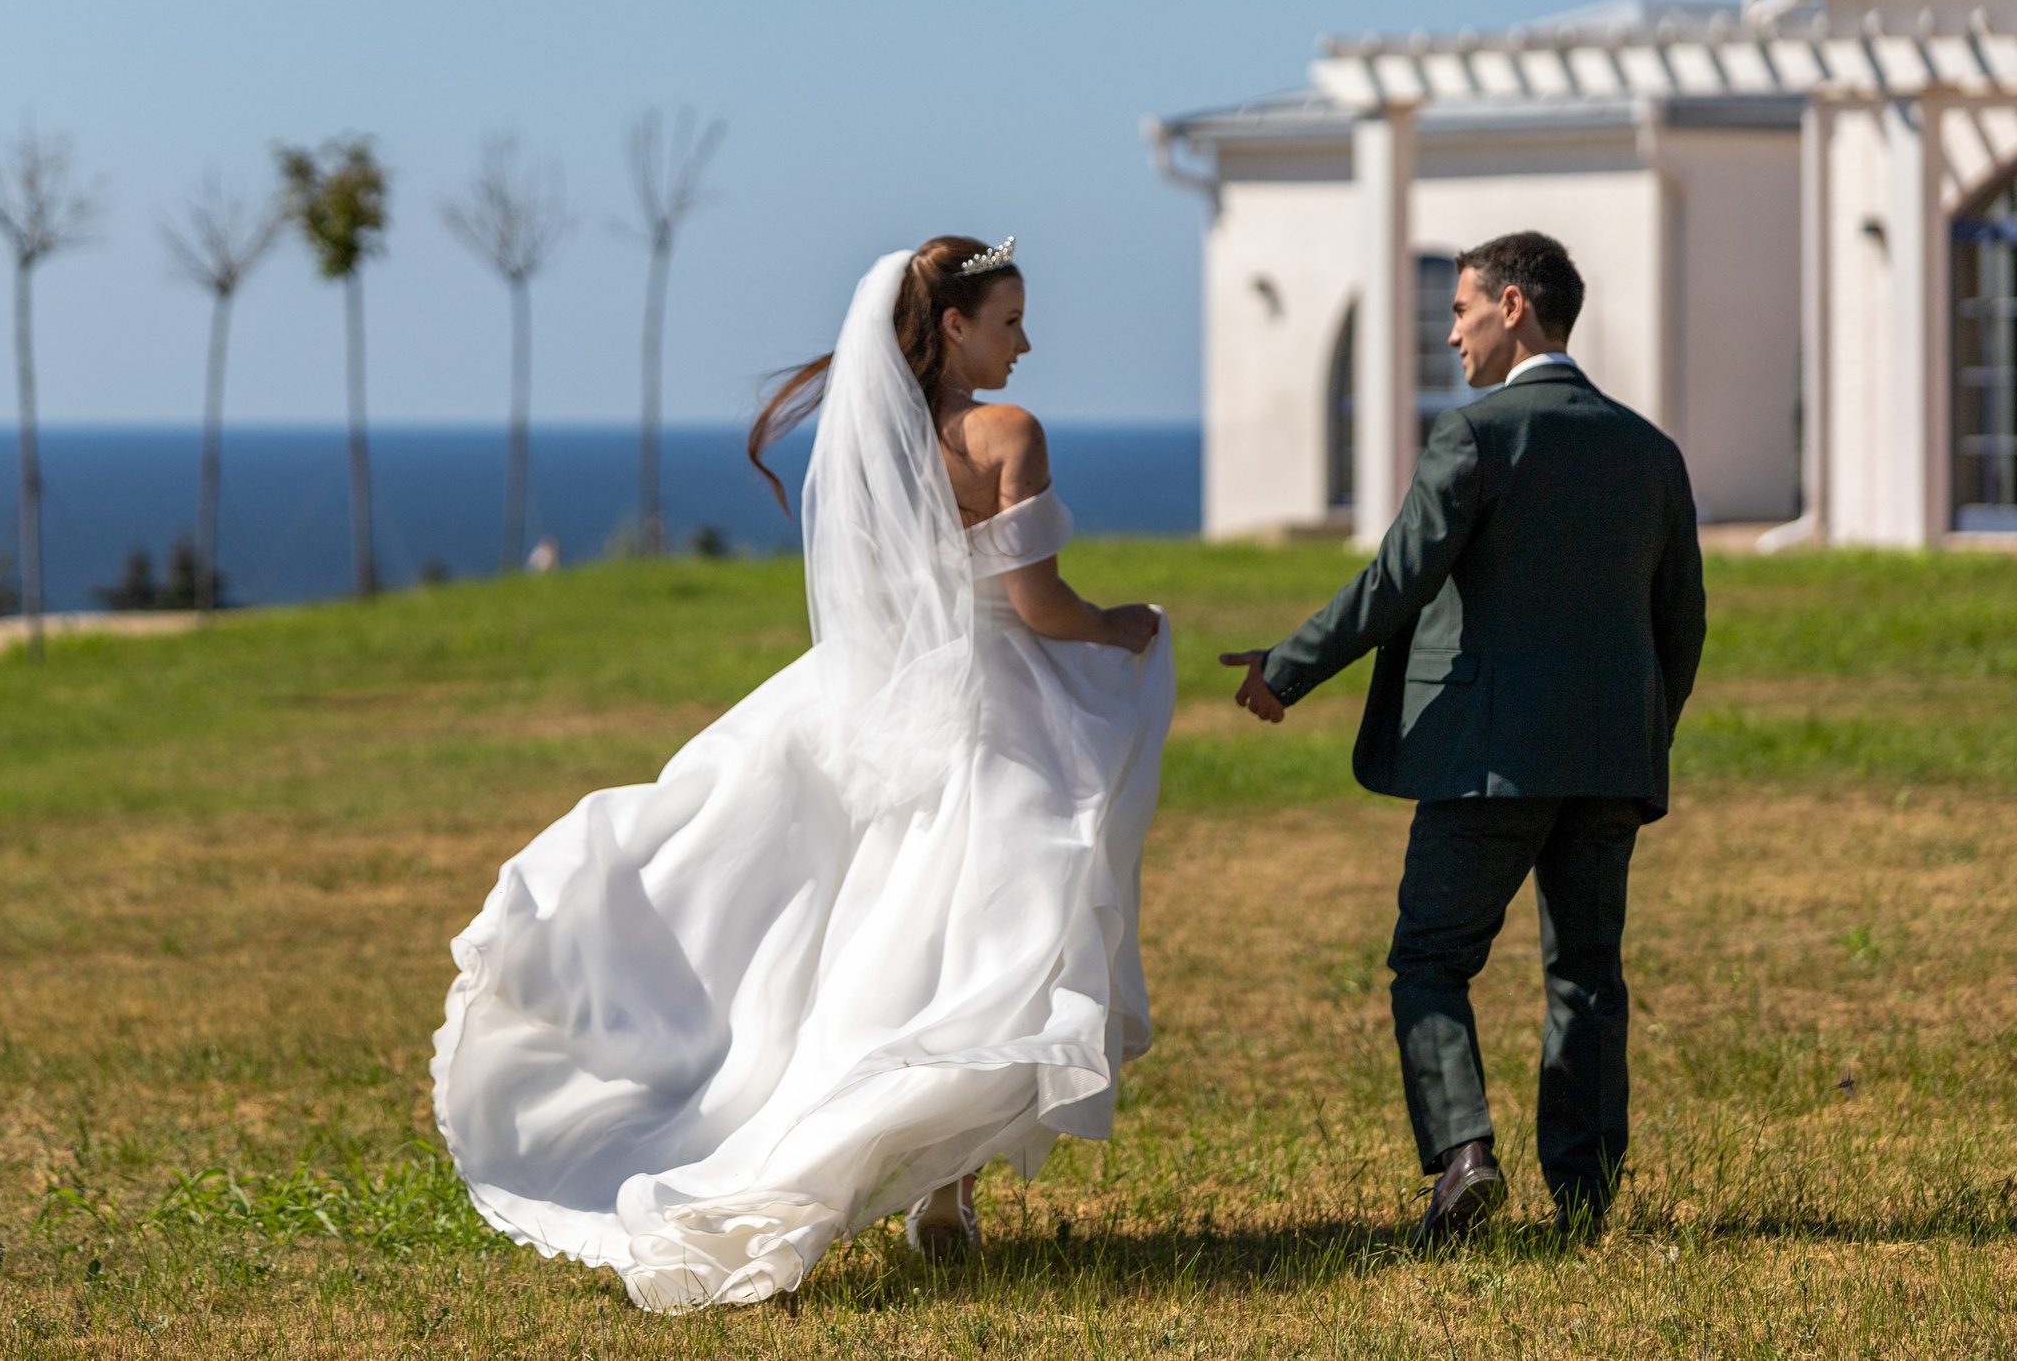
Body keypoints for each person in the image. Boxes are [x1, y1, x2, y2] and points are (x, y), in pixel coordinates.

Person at [432, 236, 1172, 1310]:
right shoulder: (1008, 432)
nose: (1024, 343)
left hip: (888, 699)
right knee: (994, 947)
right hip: (1001, 704)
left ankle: (914, 1176)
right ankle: (941, 1184)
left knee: (890, 941)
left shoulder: (872, 442)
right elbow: (1038, 605)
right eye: (1009, 322)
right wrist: (1124, 624)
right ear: (954, 325)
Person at [1221, 230, 1705, 1241]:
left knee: (1430, 960)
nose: (1450, 335)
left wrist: (1287, 668)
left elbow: (1396, 578)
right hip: (1610, 761)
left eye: (1460, 309)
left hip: (1488, 763)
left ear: (1512, 307)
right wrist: (1637, 735)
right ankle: (1584, 1204)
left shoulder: (1476, 436)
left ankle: (1463, 1159)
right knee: (1586, 975)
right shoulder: (1650, 450)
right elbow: (1682, 623)